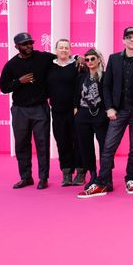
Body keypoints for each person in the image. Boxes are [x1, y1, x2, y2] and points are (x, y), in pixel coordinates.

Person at [78, 27, 133, 197]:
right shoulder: (114, 59)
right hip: (118, 111)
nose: (132, 39)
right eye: (128, 37)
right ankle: (102, 183)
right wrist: (109, 107)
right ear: (123, 40)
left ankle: (130, 180)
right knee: (108, 147)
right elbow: (107, 85)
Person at [0, 32, 56, 190]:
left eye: (30, 43)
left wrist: (77, 58)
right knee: (21, 144)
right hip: (20, 110)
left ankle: (43, 178)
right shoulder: (11, 64)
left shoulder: (43, 57)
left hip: (40, 108)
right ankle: (26, 177)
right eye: (25, 44)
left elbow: (61, 59)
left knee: (42, 144)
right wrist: (19, 81)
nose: (29, 46)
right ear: (16, 46)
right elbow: (3, 87)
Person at [47, 38, 84, 186]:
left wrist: (78, 57)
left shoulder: (77, 65)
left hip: (76, 111)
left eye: (66, 48)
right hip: (57, 112)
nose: (63, 50)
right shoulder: (49, 66)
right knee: (62, 142)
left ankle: (81, 172)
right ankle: (67, 172)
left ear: (70, 50)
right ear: (56, 50)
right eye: (61, 47)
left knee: (79, 141)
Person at [74, 49, 109, 196]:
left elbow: (109, 95)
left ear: (99, 59)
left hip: (100, 114)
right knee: (85, 146)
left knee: (105, 146)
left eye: (92, 59)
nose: (89, 62)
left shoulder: (105, 76)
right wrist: (76, 110)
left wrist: (108, 110)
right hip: (83, 114)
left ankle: (106, 177)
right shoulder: (81, 76)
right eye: (87, 60)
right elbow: (76, 95)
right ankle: (93, 175)